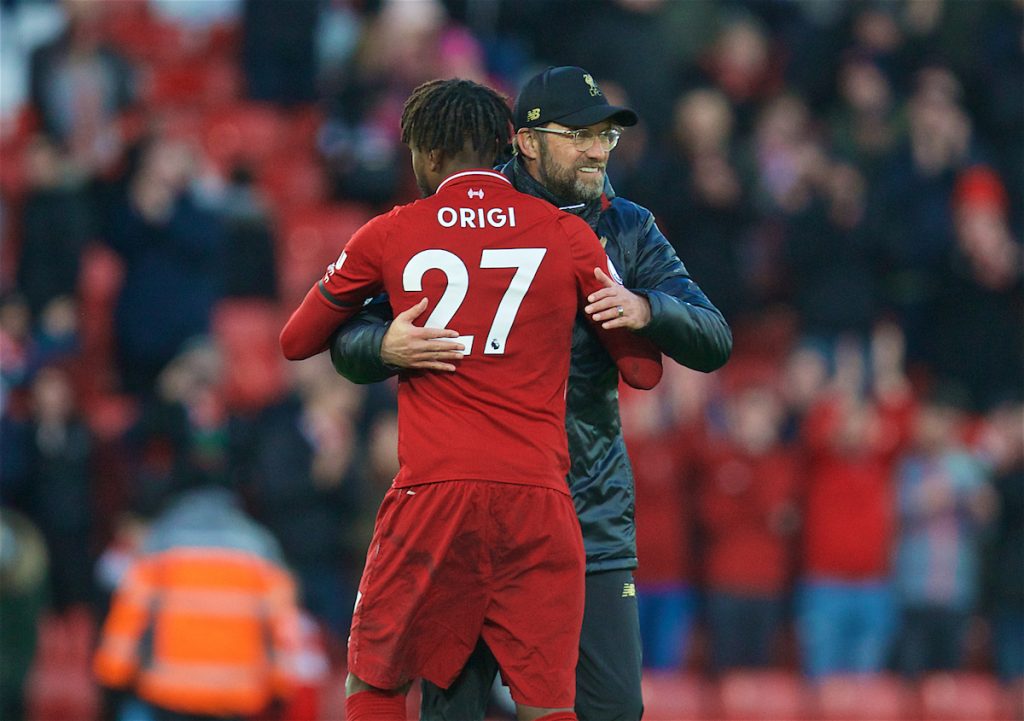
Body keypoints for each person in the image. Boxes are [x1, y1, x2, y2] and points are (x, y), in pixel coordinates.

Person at [329, 66, 733, 720]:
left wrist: (647, 307)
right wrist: (382, 345)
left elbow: (714, 338)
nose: (599, 150)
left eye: (607, 136)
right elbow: (348, 334)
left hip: (588, 510)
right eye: (581, 136)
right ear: (526, 141)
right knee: (452, 708)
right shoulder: (457, 216)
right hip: (470, 510)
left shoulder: (627, 229)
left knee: (612, 709)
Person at [92, 483, 301, 721]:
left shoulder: (159, 545)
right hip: (235, 696)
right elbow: (284, 628)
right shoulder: (260, 547)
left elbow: (128, 620)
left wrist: (114, 676)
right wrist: (281, 686)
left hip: (169, 693)